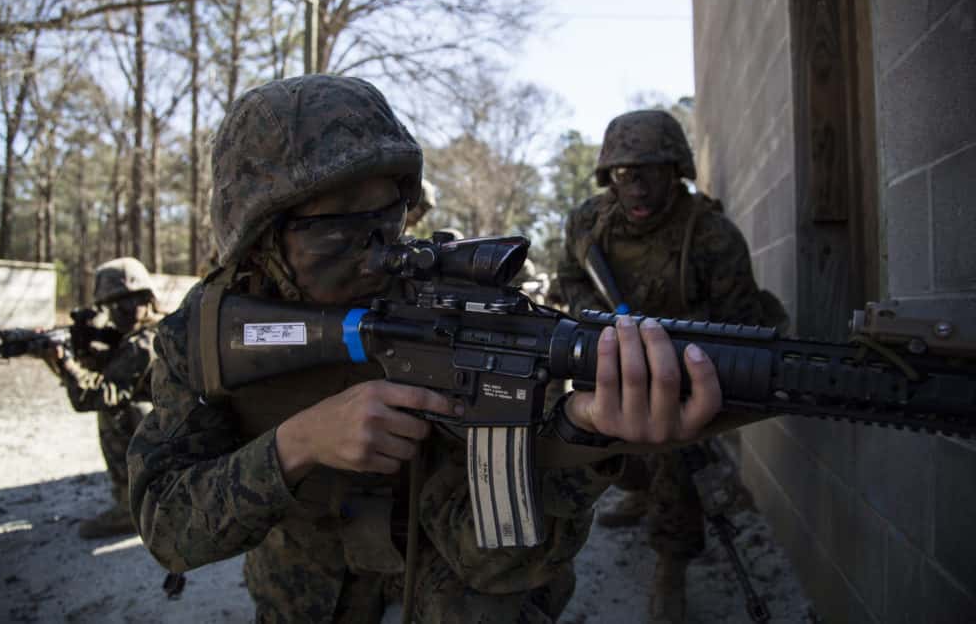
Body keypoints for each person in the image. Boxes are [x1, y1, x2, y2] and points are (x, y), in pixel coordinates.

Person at [128, 75, 725, 623]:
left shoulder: (452, 309)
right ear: (260, 233)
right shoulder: (208, 332)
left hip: (444, 580)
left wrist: (582, 435)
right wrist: (297, 444)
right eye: (336, 227)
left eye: (388, 215)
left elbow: (503, 559)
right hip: (306, 593)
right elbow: (168, 529)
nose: (376, 250)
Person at [556, 109, 787, 622]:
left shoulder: (710, 235)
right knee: (608, 445)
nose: (635, 189)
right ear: (608, 177)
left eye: (650, 173)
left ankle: (671, 562)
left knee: (670, 451)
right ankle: (638, 495)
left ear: (676, 170)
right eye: (623, 175)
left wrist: (690, 355)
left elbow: (741, 323)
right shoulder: (588, 223)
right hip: (613, 354)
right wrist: (598, 316)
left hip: (688, 366)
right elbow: (568, 278)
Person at [42, 257, 160, 538]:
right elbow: (110, 365)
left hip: (181, 433)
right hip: (181, 430)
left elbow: (94, 395)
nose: (124, 311)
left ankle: (133, 507)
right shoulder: (145, 332)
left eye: (131, 301)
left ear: (147, 300)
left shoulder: (145, 341)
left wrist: (66, 362)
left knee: (116, 409)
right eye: (115, 305)